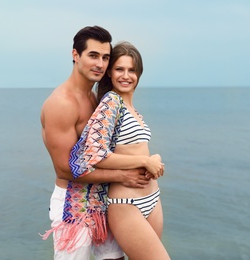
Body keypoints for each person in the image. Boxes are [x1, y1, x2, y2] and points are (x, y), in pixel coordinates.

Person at [40, 26, 154, 260]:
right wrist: (123, 176)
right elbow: (65, 169)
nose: (100, 64)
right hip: (73, 206)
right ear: (75, 55)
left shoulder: (95, 98)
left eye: (105, 58)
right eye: (93, 56)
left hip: (103, 201)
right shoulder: (61, 104)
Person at [69, 41, 171, 259]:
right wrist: (144, 162)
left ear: (139, 73)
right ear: (110, 74)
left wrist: (153, 158)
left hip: (152, 197)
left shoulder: (131, 108)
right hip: (126, 203)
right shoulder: (111, 103)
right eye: (119, 69)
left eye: (132, 70)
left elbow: (133, 148)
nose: (126, 75)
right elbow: (94, 155)